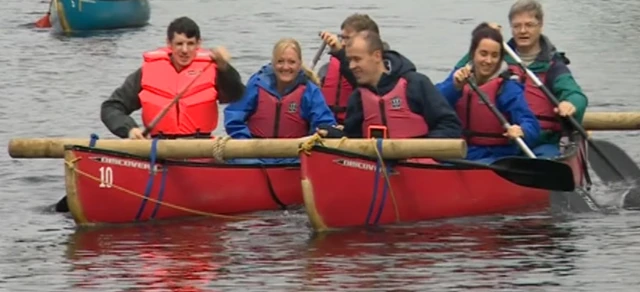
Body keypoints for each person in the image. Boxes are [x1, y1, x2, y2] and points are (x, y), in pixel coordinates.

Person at [452, 0, 588, 158]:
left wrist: (570, 104)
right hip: (501, 143)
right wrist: (483, 37)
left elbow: (575, 94)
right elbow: (458, 73)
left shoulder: (553, 66)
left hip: (542, 142)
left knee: (544, 159)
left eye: (529, 25)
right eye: (517, 26)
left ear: (540, 25)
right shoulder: (495, 57)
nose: (523, 31)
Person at [100, 16, 245, 140]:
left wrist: (225, 68)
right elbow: (111, 107)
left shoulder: (214, 69)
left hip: (200, 147)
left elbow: (237, 95)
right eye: (179, 44)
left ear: (199, 44)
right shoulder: (147, 72)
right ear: (169, 44)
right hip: (159, 148)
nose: (184, 50)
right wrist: (130, 129)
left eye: (190, 44)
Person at [321, 30, 462, 140]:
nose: (351, 66)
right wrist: (336, 135)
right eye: (350, 60)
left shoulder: (416, 84)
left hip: (418, 166)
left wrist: (421, 147)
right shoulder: (358, 97)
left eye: (357, 59)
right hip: (375, 169)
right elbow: (353, 138)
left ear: (377, 56)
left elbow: (450, 125)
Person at [436, 23, 540, 164]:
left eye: (494, 55)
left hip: (497, 156)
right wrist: (454, 87)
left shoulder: (507, 87)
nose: (488, 61)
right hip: (461, 152)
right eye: (483, 54)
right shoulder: (458, 78)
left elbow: (531, 123)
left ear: (500, 58)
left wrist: (522, 130)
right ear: (473, 54)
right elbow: (433, 105)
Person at [223, 38, 337, 164]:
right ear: (273, 63)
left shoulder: (310, 91)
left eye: (291, 62)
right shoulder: (257, 84)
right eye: (280, 61)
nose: (285, 67)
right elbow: (234, 117)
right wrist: (245, 144)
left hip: (294, 156)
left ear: (299, 64)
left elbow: (324, 124)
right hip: (255, 155)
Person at [316, 13, 389, 124]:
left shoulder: (381, 69)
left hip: (358, 127)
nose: (343, 43)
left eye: (348, 39)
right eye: (342, 38)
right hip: (329, 124)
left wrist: (341, 53)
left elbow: (361, 84)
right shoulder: (328, 68)